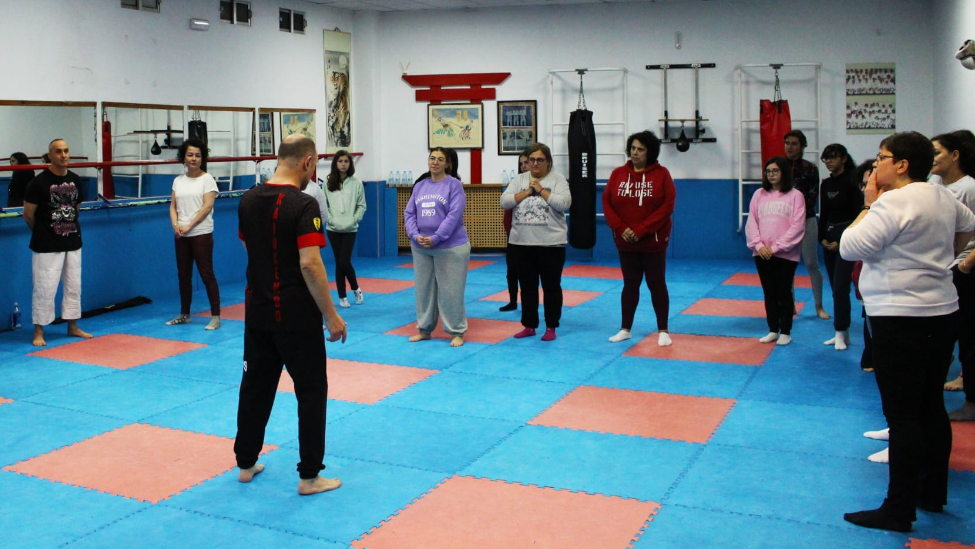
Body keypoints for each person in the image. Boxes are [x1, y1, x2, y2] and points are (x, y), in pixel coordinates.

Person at [840, 131, 975, 533]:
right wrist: (944, 257)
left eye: (881, 157)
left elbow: (849, 247)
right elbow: (970, 225)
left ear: (901, 165)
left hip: (900, 318)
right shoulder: (941, 195)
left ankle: (898, 510)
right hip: (941, 312)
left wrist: (868, 204)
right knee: (931, 405)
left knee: (902, 416)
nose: (874, 165)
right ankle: (932, 494)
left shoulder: (893, 202)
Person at [234, 134, 347, 496]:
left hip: (258, 313)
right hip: (297, 317)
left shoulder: (247, 199)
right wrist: (331, 315)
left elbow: (250, 248)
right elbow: (310, 265)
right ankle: (310, 476)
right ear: (308, 162)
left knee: (255, 388)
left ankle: (246, 463)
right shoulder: (304, 204)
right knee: (311, 391)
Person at [603, 130, 676, 346]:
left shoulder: (662, 175)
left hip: (653, 242)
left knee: (656, 284)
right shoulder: (618, 174)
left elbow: (667, 206)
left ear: (650, 152)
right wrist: (621, 228)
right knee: (630, 284)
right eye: (633, 148)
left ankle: (663, 330)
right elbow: (607, 202)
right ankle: (625, 329)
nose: (635, 152)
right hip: (625, 242)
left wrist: (642, 229)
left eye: (641, 149)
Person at [22, 139, 92, 347]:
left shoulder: (75, 180)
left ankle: (72, 326)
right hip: (46, 243)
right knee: (44, 287)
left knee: (73, 285)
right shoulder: (38, 183)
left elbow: (76, 209)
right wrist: (43, 232)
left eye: (66, 151)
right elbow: (28, 214)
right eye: (59, 151)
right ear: (50, 155)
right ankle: (39, 331)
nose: (63, 155)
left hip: (72, 240)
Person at [500, 143, 572, 341]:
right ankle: (529, 325)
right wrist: (526, 192)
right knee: (527, 287)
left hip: (551, 244)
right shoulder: (520, 179)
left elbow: (564, 204)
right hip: (522, 243)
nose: (535, 163)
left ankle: (551, 326)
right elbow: (504, 202)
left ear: (548, 161)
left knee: (551, 286)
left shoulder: (558, 179)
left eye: (540, 159)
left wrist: (541, 190)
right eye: (532, 160)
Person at [403, 147, 470, 347]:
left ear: (447, 163)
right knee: (423, 290)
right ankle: (424, 329)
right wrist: (415, 235)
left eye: (440, 159)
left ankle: (456, 331)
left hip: (450, 247)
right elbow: (409, 213)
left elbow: (454, 215)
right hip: (421, 247)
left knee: (451, 291)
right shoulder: (420, 186)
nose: (435, 162)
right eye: (432, 158)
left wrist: (437, 237)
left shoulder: (454, 185)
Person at [929, 131, 975, 421]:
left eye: (937, 153)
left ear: (955, 155)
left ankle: (972, 402)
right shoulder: (935, 184)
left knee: (968, 336)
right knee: (944, 333)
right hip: (942, 269)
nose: (932, 158)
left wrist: (966, 264)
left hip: (963, 269)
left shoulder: (969, 187)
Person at [744, 156, 806, 346]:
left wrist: (777, 247)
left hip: (785, 254)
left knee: (783, 291)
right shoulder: (759, 194)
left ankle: (785, 331)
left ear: (784, 173)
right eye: (768, 171)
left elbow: (797, 226)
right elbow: (751, 221)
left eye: (775, 171)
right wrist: (759, 245)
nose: (771, 174)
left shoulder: (796, 196)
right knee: (769, 292)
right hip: (762, 253)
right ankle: (773, 329)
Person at [166, 138, 221, 330]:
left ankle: (216, 316)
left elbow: (207, 207)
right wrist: (176, 225)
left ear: (202, 158)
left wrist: (189, 225)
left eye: (197, 155)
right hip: (181, 234)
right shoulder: (178, 181)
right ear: (184, 157)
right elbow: (172, 206)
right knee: (183, 276)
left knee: (207, 274)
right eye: (190, 155)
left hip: (201, 233)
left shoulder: (207, 180)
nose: (194, 158)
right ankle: (185, 314)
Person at [818, 144, 863, 350]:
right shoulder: (826, 184)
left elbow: (858, 214)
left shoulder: (853, 182)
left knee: (841, 287)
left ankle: (840, 330)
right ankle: (844, 333)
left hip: (847, 236)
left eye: (833, 157)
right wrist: (822, 238)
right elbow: (824, 213)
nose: (828, 161)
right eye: (826, 158)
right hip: (829, 235)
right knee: (835, 288)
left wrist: (844, 240)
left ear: (844, 158)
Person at [784, 130, 829, 320]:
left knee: (811, 263)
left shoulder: (810, 168)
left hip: (806, 220)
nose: (790, 147)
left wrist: (798, 214)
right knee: (787, 265)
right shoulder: (779, 166)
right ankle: (790, 306)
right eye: (787, 143)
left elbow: (812, 195)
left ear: (802, 146)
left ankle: (819, 305)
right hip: (783, 222)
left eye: (794, 143)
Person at [325, 150, 366, 308]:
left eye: (346, 161)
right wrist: (331, 220)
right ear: (335, 163)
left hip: (350, 228)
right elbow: (324, 205)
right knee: (339, 262)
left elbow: (361, 205)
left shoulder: (356, 182)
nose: (343, 164)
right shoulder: (327, 182)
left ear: (350, 164)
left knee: (344, 261)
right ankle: (342, 297)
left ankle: (355, 289)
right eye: (340, 161)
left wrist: (354, 219)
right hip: (333, 228)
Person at [500, 150, 530, 312]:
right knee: (511, 270)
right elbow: (507, 210)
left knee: (528, 273)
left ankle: (528, 303)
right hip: (514, 235)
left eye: (526, 162)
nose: (524, 166)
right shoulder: (515, 184)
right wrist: (509, 232)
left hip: (532, 236)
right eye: (521, 163)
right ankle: (512, 301)